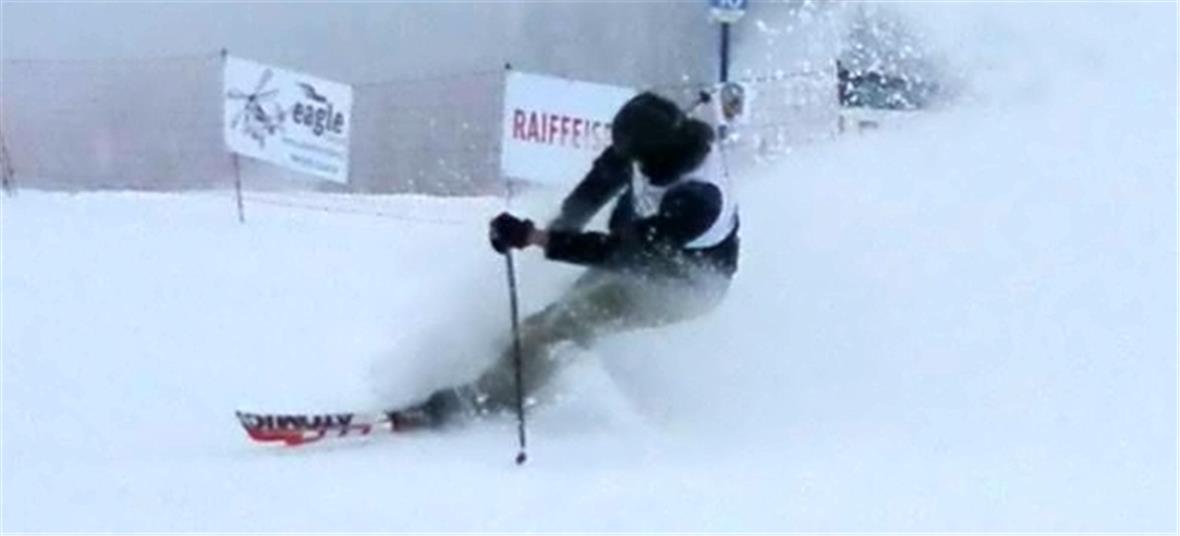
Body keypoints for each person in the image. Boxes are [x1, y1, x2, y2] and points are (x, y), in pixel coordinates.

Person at [392, 91, 740, 429]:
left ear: (656, 156)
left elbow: (617, 252)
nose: (630, 163)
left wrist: (535, 238)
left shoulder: (698, 200)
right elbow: (604, 177)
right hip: (642, 256)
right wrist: (564, 223)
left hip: (683, 285)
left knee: (568, 320)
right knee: (541, 321)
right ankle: (498, 376)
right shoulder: (661, 140)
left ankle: (487, 400)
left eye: (636, 157)